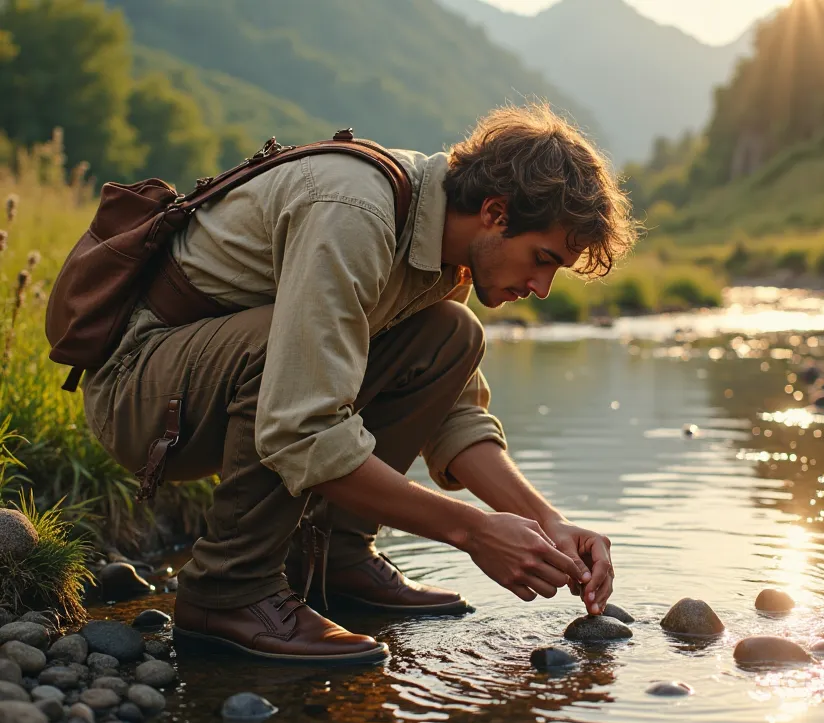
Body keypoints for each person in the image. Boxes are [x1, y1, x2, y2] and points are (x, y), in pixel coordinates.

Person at [79, 103, 638, 664]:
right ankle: (229, 590)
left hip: (211, 381)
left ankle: (333, 560)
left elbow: (455, 420)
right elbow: (302, 427)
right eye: (542, 259)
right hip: (141, 391)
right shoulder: (355, 214)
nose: (542, 287)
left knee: (451, 335)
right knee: (286, 353)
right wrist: (474, 532)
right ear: (495, 212)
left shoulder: (445, 251)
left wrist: (549, 522)